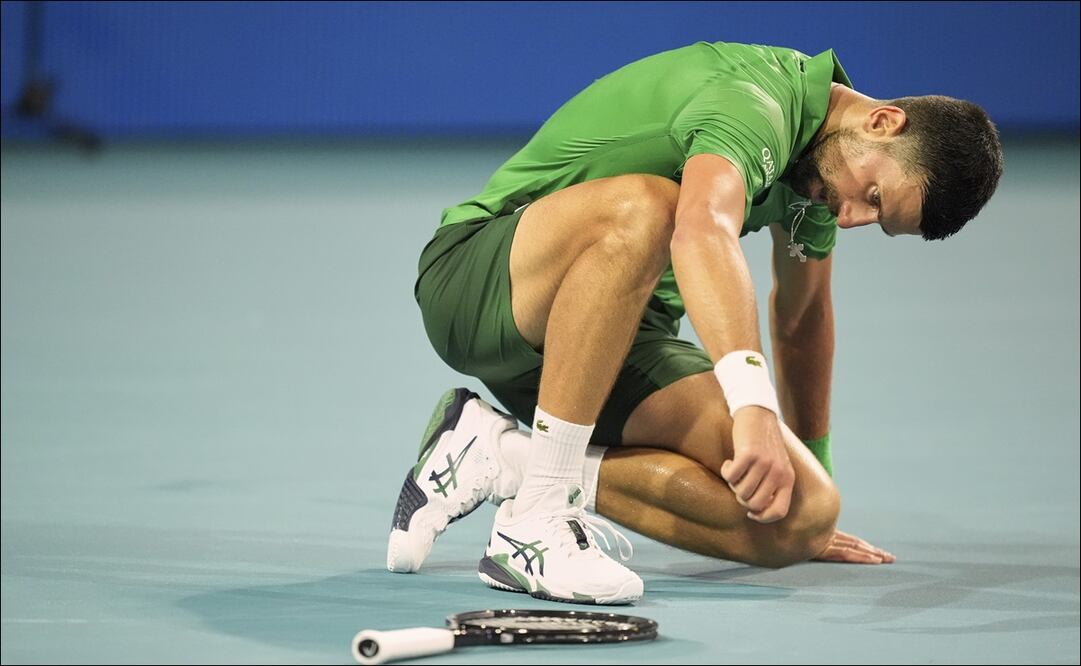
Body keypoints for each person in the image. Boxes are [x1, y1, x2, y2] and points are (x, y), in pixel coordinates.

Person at [385, 40, 1004, 605]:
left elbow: (802, 316)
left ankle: (501, 454)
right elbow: (703, 227)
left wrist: (810, 462)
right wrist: (754, 406)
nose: (851, 221)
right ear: (882, 121)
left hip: (605, 348)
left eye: (877, 222)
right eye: (873, 200)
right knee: (653, 210)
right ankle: (536, 519)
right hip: (480, 284)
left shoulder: (820, 179)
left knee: (803, 512)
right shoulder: (754, 102)